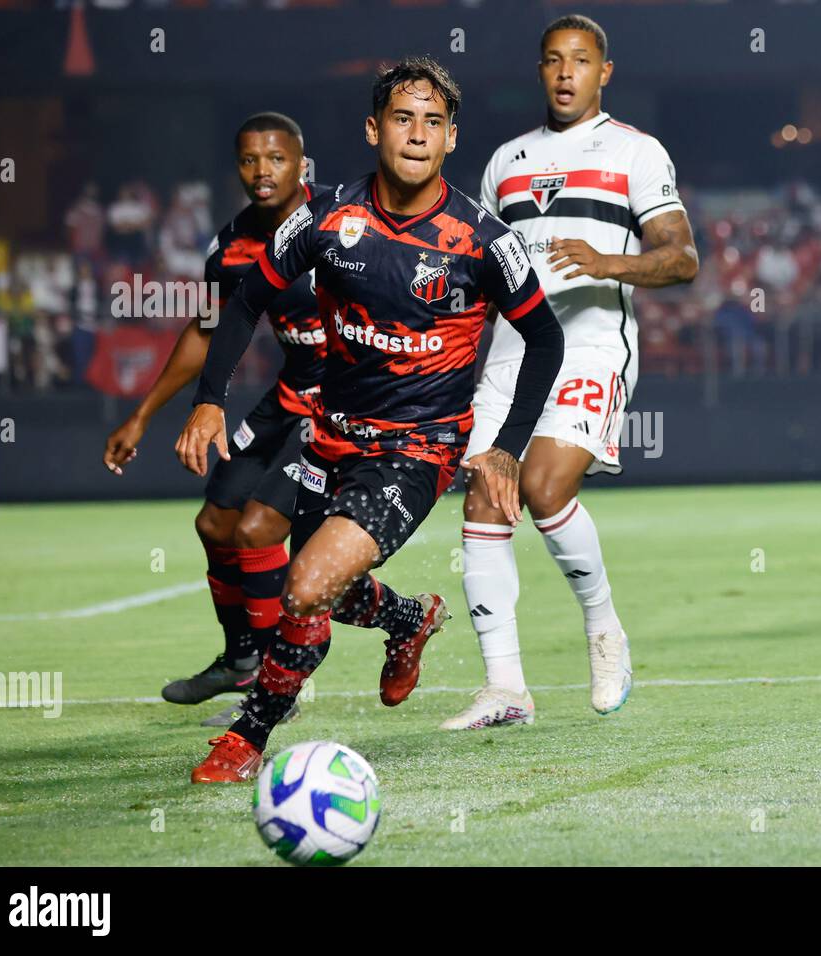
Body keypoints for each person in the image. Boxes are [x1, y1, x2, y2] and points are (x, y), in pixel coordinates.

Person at [174, 57, 564, 781]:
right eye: (402, 117)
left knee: (302, 587)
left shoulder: (483, 240)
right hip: (328, 437)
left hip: (418, 449)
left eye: (433, 122)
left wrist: (506, 447)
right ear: (373, 128)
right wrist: (208, 397)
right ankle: (408, 619)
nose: (417, 134)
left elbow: (546, 336)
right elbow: (248, 300)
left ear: (452, 139)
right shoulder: (325, 219)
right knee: (324, 585)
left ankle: (248, 738)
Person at [444, 15, 698, 730]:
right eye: (554, 61)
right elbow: (479, 269)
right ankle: (506, 690)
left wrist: (606, 260)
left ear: (603, 72)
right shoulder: (504, 162)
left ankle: (604, 627)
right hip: (510, 355)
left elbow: (683, 258)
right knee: (487, 500)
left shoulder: (635, 152)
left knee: (545, 483)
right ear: (540, 70)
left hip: (592, 345)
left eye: (580, 61)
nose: (565, 73)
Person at [103, 112, 325, 727]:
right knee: (214, 521)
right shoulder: (229, 246)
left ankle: (278, 691)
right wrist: (142, 415)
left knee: (257, 531)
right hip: (289, 395)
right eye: (250, 160)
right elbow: (206, 331)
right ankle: (242, 659)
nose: (262, 172)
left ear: (301, 163)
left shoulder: (338, 221)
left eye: (277, 159)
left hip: (345, 404)